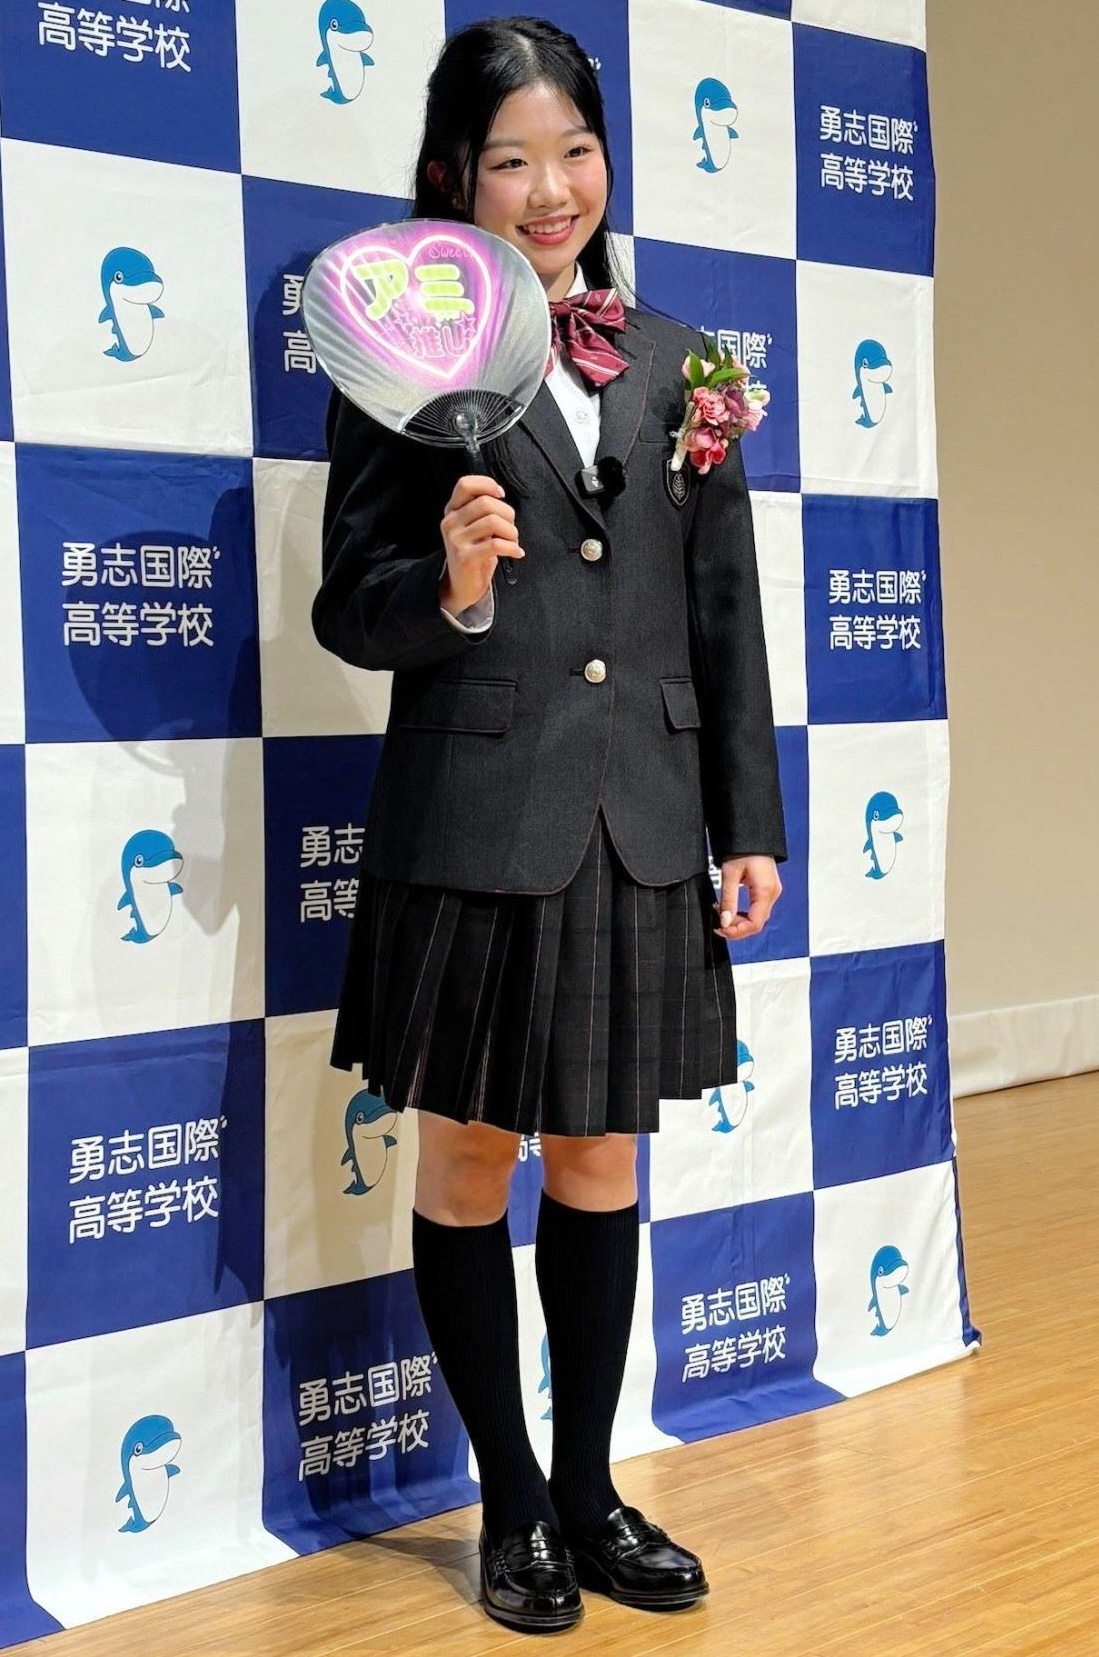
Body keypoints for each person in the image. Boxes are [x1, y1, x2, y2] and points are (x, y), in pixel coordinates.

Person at [312, 13, 787, 1636]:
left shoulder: (683, 360)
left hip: (639, 821)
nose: (551, 188)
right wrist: (446, 584)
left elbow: (723, 611)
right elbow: (348, 604)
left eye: (574, 151)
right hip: (475, 812)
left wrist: (747, 819)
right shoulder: (403, 359)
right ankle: (509, 1499)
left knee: (600, 1154)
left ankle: (590, 1489)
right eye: (511, 160)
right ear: (456, 175)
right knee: (466, 1153)